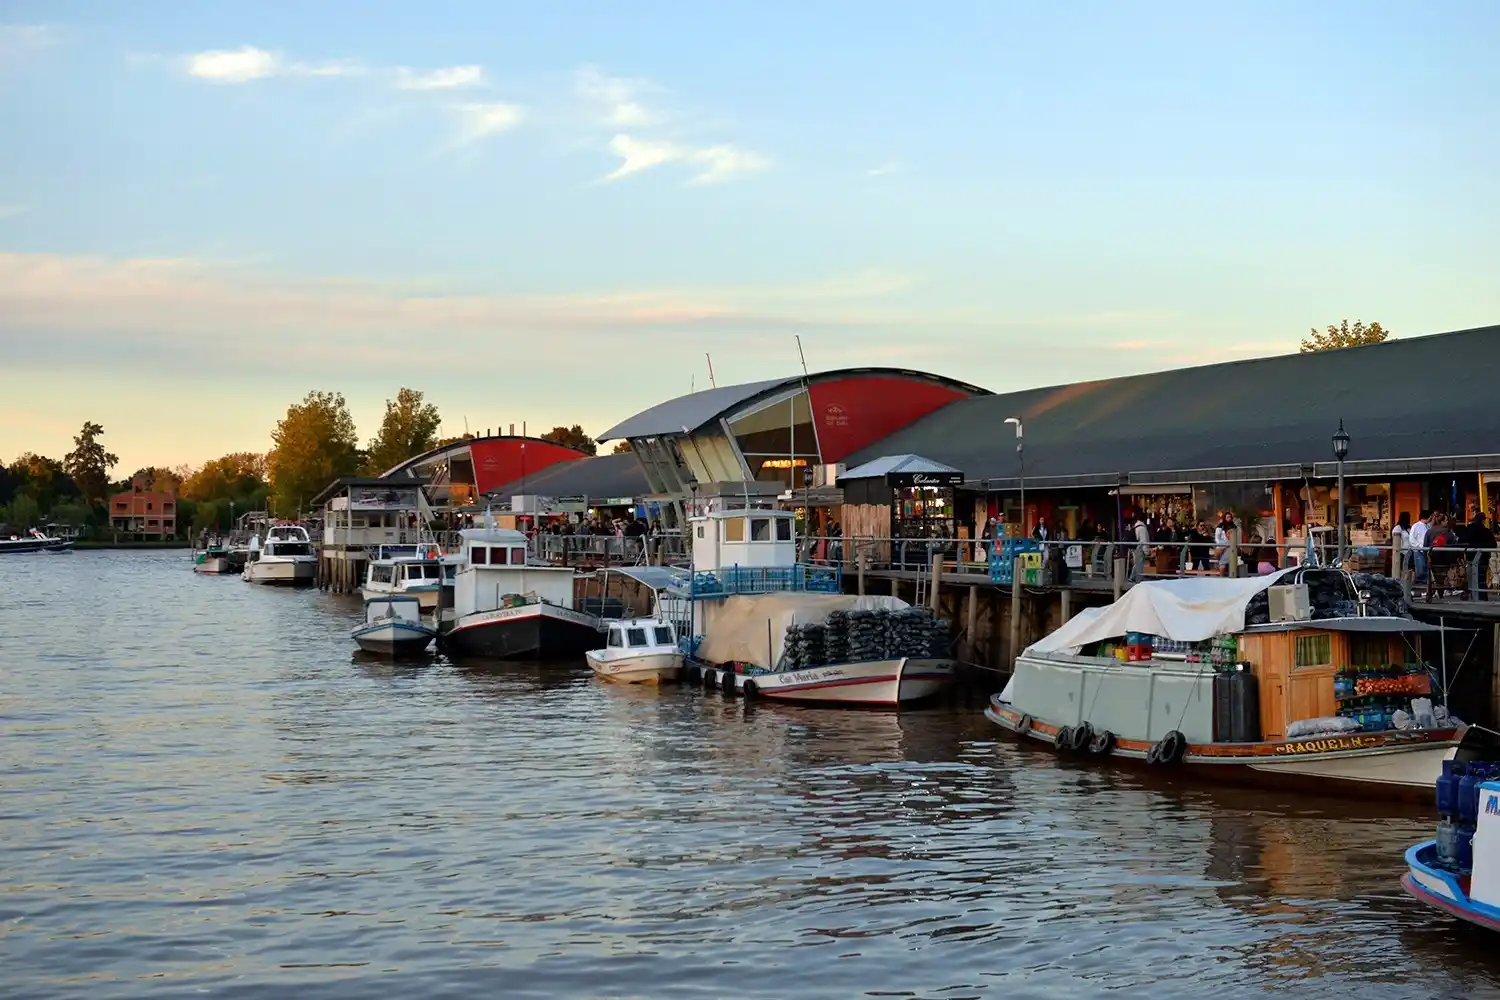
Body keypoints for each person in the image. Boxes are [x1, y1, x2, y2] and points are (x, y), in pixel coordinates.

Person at [1465, 512, 1495, 601]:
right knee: (1481, 578)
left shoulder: (1468, 530)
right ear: (1483, 520)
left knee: (1471, 576)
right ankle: (1482, 596)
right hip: (1483, 557)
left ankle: (1473, 595)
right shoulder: (1486, 531)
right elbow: (1493, 544)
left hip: (1470, 556)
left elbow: (1462, 540)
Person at [1409, 510, 1431, 593]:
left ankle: (1425, 588)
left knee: (1426, 568)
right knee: (1420, 568)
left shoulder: (1428, 526)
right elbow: (1412, 539)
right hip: (1418, 550)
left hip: (1426, 551)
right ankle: (1419, 588)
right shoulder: (1415, 526)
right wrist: (1419, 546)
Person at [1391, 511, 1411, 577]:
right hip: (1401, 552)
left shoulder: (1409, 528)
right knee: (1402, 568)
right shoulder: (1397, 528)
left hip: (1410, 551)